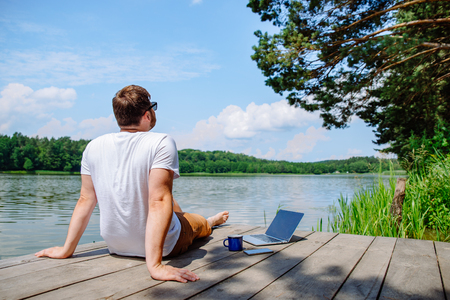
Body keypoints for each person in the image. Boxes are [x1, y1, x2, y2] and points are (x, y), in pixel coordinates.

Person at [35, 85, 229, 283]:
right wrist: (155, 266)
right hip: (164, 247)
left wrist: (67, 249)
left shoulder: (92, 146)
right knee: (196, 223)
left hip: (116, 245)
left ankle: (182, 219)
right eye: (153, 107)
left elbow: (86, 199)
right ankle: (211, 221)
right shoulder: (161, 141)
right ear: (147, 115)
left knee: (168, 199)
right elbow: (159, 200)